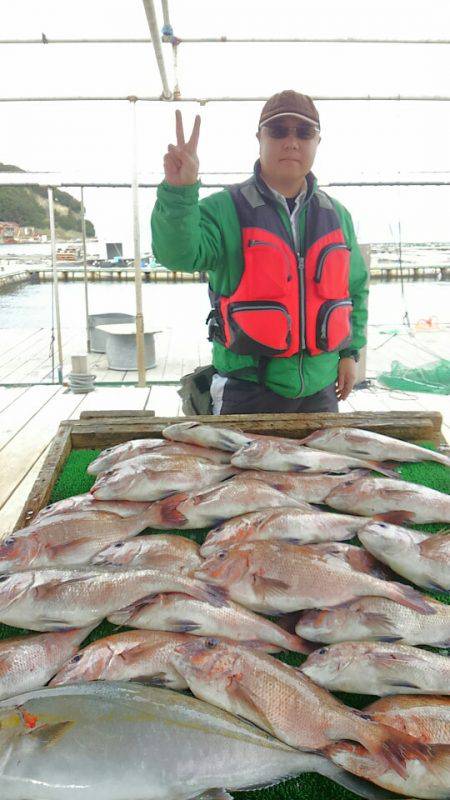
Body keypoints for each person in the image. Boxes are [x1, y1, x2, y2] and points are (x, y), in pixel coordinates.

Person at [151, 89, 368, 415]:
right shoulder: (223, 209)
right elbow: (178, 255)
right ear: (259, 137)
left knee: (321, 469)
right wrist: (180, 192)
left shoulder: (338, 216)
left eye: (304, 132)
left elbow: (354, 291)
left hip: (322, 391)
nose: (291, 141)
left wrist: (350, 355)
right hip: (246, 390)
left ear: (317, 141)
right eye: (279, 130)